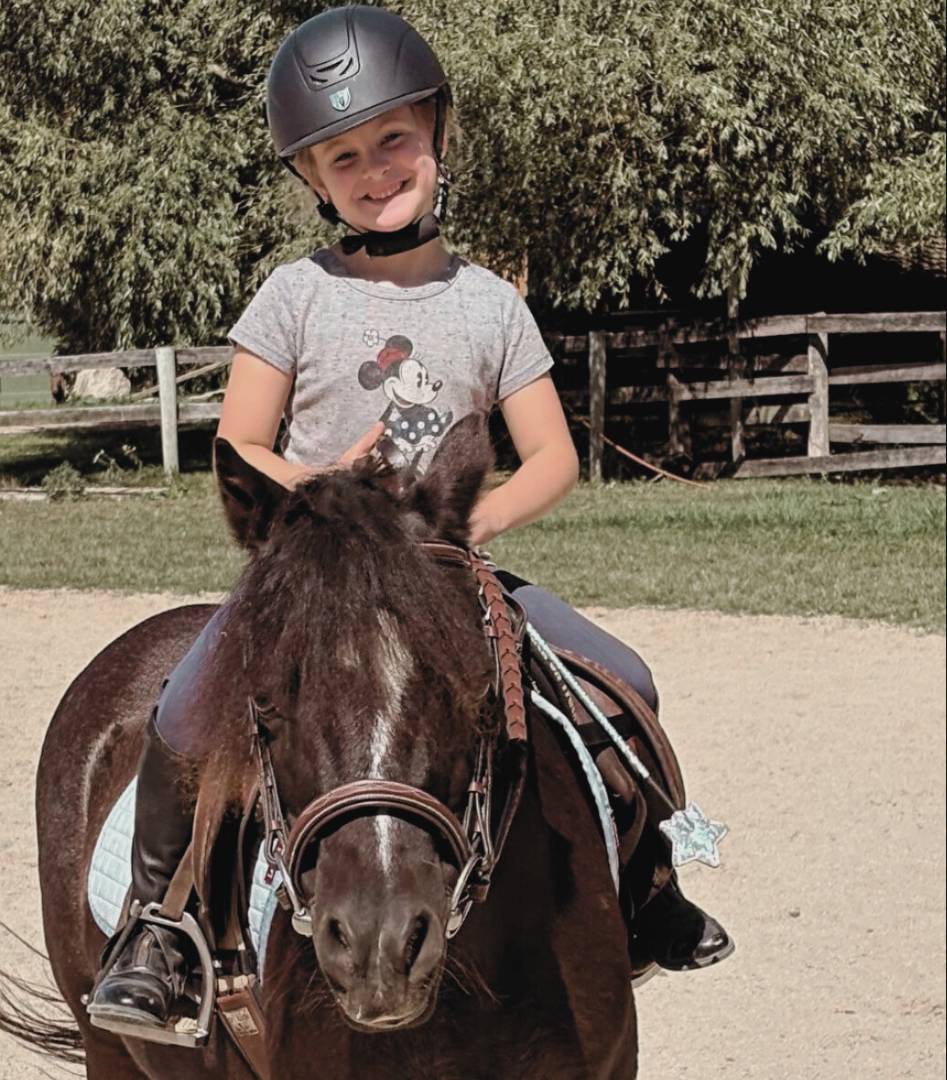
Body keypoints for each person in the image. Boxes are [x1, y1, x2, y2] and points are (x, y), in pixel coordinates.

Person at [88, 5, 732, 1037]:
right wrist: (317, 485)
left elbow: (555, 456)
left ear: (438, 132)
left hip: (445, 568)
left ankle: (645, 886)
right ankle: (158, 932)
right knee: (182, 710)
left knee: (624, 679)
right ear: (313, 179)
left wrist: (468, 532)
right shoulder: (293, 299)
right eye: (345, 155)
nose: (376, 168)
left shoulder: (490, 307)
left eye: (395, 138)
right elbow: (239, 442)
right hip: (312, 575)